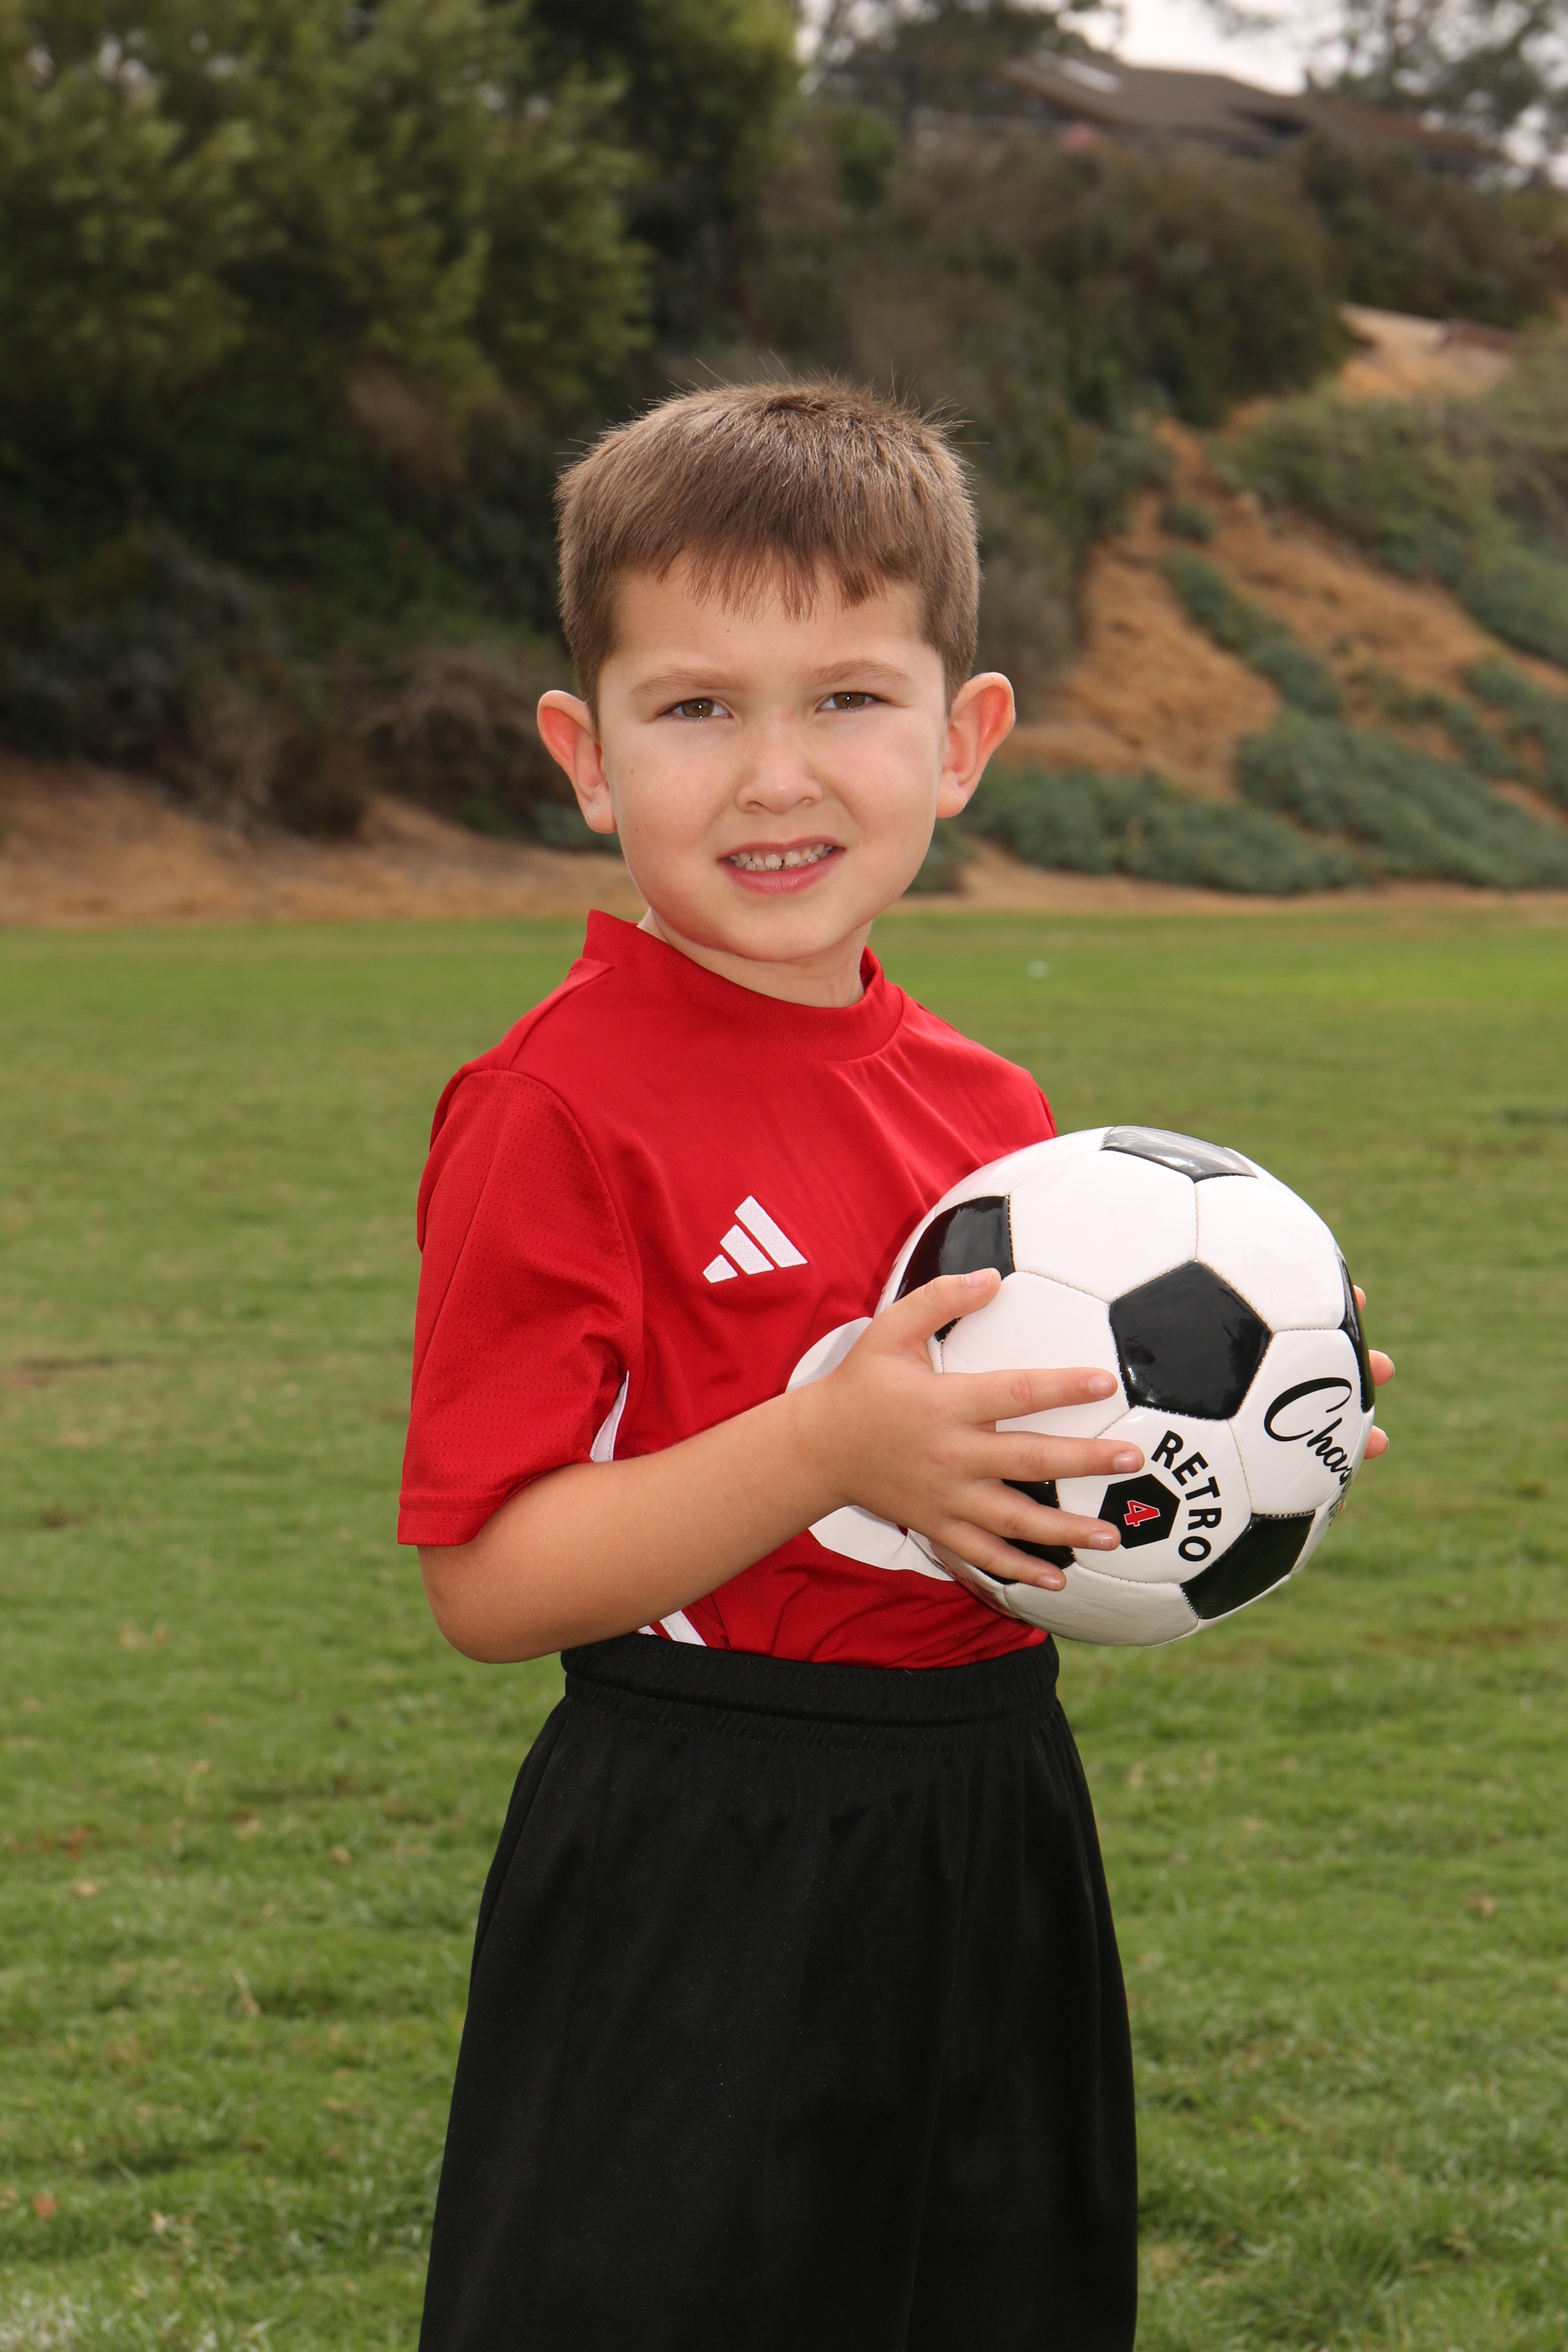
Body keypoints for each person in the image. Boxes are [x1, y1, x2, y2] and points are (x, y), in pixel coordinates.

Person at [400, 382, 1391, 2351]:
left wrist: (1239, 1453)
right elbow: (490, 1585)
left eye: (848, 699)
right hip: (702, 1839)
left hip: (991, 1809)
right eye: (698, 707)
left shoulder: (1001, 1120)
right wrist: (825, 1442)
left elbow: (1017, 1494)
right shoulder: (553, 1108)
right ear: (586, 757)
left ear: (962, 740)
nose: (775, 775)